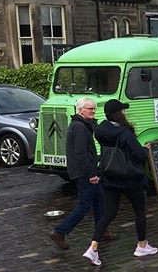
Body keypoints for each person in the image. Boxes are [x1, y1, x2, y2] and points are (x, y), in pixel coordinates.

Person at [81, 100, 156, 266]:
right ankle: (142, 245)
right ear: (118, 113)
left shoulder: (100, 130)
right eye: (122, 111)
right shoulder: (124, 132)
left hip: (110, 176)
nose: (124, 113)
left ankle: (93, 248)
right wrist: (146, 149)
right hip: (129, 178)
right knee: (139, 211)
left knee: (109, 214)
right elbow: (139, 155)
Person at [49, 97, 116, 250]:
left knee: (99, 201)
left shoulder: (81, 125)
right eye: (89, 108)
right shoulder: (79, 127)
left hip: (83, 171)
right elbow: (81, 153)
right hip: (83, 173)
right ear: (80, 110)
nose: (93, 111)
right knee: (84, 205)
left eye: (94, 108)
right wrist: (91, 173)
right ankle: (60, 231)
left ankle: (101, 231)